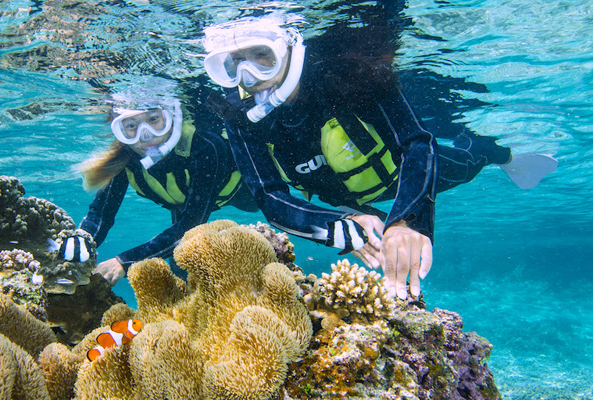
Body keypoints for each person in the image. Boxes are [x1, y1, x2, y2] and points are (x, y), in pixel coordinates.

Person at [200, 13, 557, 299]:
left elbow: (418, 144)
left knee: (467, 164)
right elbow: (269, 195)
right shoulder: (240, 116)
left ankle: (502, 156)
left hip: (399, 175)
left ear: (292, 48)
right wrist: (338, 228)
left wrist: (409, 219)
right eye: (234, 64)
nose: (248, 77)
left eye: (262, 57)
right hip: (344, 199)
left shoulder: (350, 73)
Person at [56, 83, 256, 285]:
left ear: (171, 117)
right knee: (181, 267)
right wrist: (82, 241)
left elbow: (191, 222)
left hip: (242, 192)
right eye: (131, 126)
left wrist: (124, 262)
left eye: (153, 119)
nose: (145, 135)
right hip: (183, 206)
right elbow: (100, 214)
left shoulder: (205, 146)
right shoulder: (125, 159)